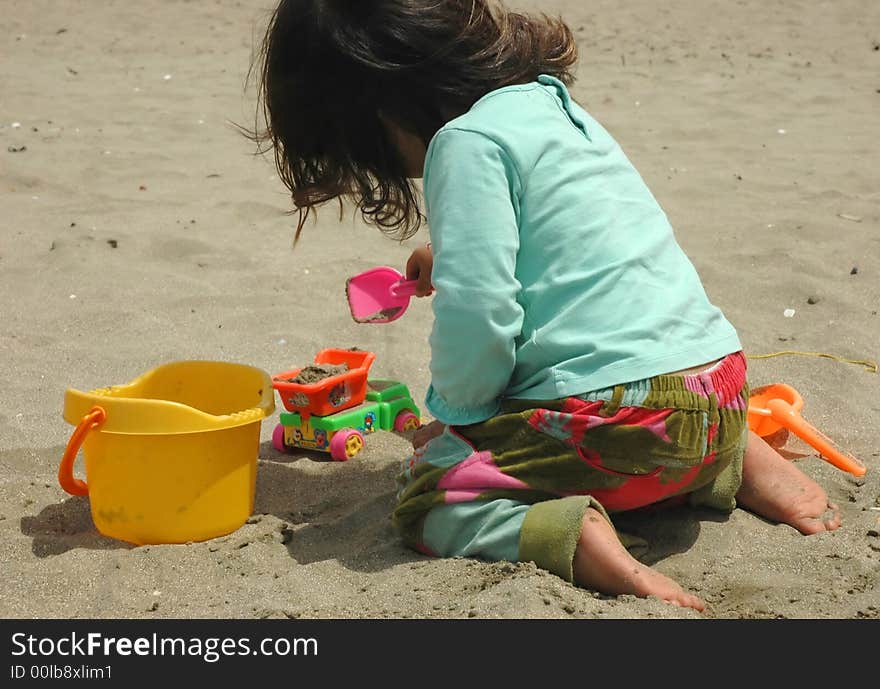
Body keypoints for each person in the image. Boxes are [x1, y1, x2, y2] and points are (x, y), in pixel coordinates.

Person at [250, 0, 841, 611]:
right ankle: (739, 463)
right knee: (658, 414)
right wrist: (449, 250)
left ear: (377, 105)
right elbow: (580, 238)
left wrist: (461, 416)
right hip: (718, 393)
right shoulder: (553, 107)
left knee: (430, 497)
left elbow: (481, 314)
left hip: (620, 421)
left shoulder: (463, 140)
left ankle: (577, 537)